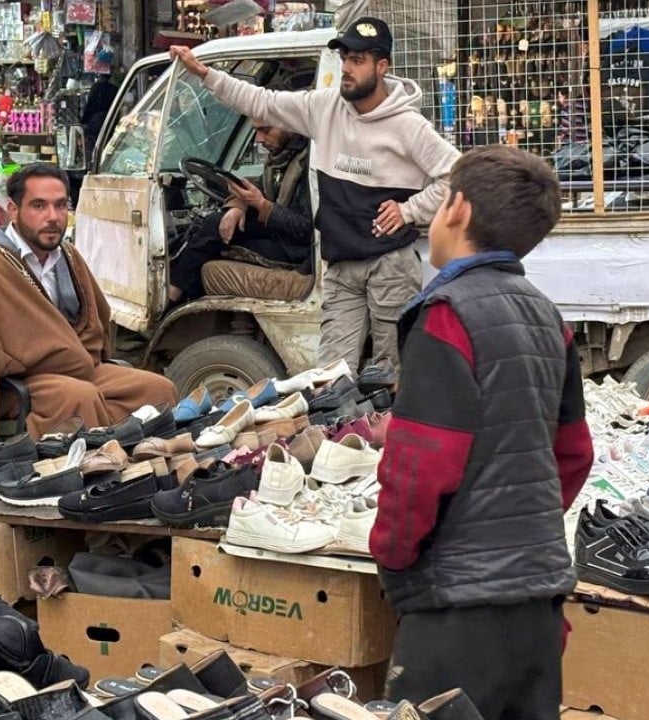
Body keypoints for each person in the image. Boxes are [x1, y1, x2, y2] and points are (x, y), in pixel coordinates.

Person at [368, 145, 595, 719]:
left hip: (457, 606)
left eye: (441, 198)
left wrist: (395, 561)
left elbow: (419, 466)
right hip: (538, 602)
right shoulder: (548, 316)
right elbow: (572, 455)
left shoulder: (446, 314)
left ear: (458, 209)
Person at [169, 17, 461, 373]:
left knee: (393, 374)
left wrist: (409, 209)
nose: (347, 69)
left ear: (381, 67)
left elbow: (457, 175)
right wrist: (205, 74)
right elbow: (263, 103)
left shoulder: (408, 126)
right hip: (340, 267)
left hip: (390, 266)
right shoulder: (325, 107)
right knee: (330, 379)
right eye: (345, 59)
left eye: (358, 61)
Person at [0, 163, 178, 451]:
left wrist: (84, 355)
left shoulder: (68, 255)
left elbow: (97, 320)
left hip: (80, 369)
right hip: (24, 380)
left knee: (159, 390)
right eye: (38, 206)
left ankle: (144, 464)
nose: (52, 217)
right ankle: (94, 477)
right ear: (13, 210)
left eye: (60, 205)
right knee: (80, 397)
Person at [168, 118, 314, 305]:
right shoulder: (282, 158)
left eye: (266, 130)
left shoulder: (310, 163)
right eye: (256, 131)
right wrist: (238, 206)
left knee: (213, 234)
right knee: (208, 227)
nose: (258, 140)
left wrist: (261, 205)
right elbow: (257, 186)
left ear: (289, 123)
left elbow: (307, 230)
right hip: (281, 235)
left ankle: (174, 298)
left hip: (296, 250)